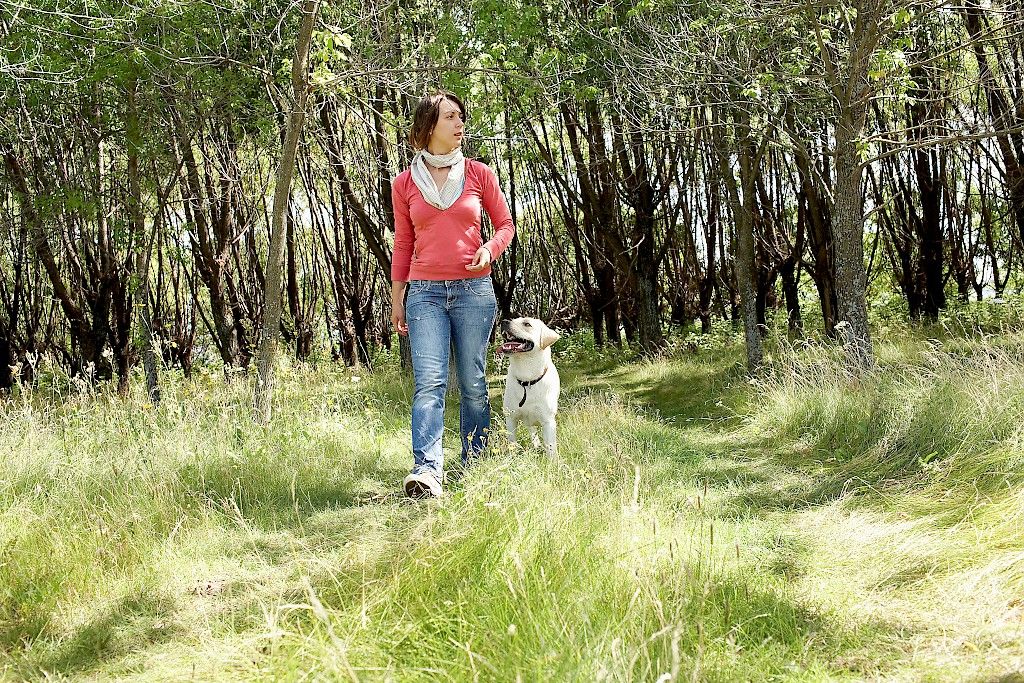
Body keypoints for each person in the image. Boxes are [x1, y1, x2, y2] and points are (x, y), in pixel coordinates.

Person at [390, 92, 516, 498]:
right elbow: (404, 243)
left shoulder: (480, 174)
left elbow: (505, 225)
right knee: (430, 383)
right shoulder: (404, 184)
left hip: (473, 293)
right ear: (429, 127)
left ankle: (475, 462)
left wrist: (489, 250)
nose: (460, 125)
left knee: (474, 383)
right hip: (424, 294)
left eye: (461, 117)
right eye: (450, 118)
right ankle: (427, 471)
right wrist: (397, 298)